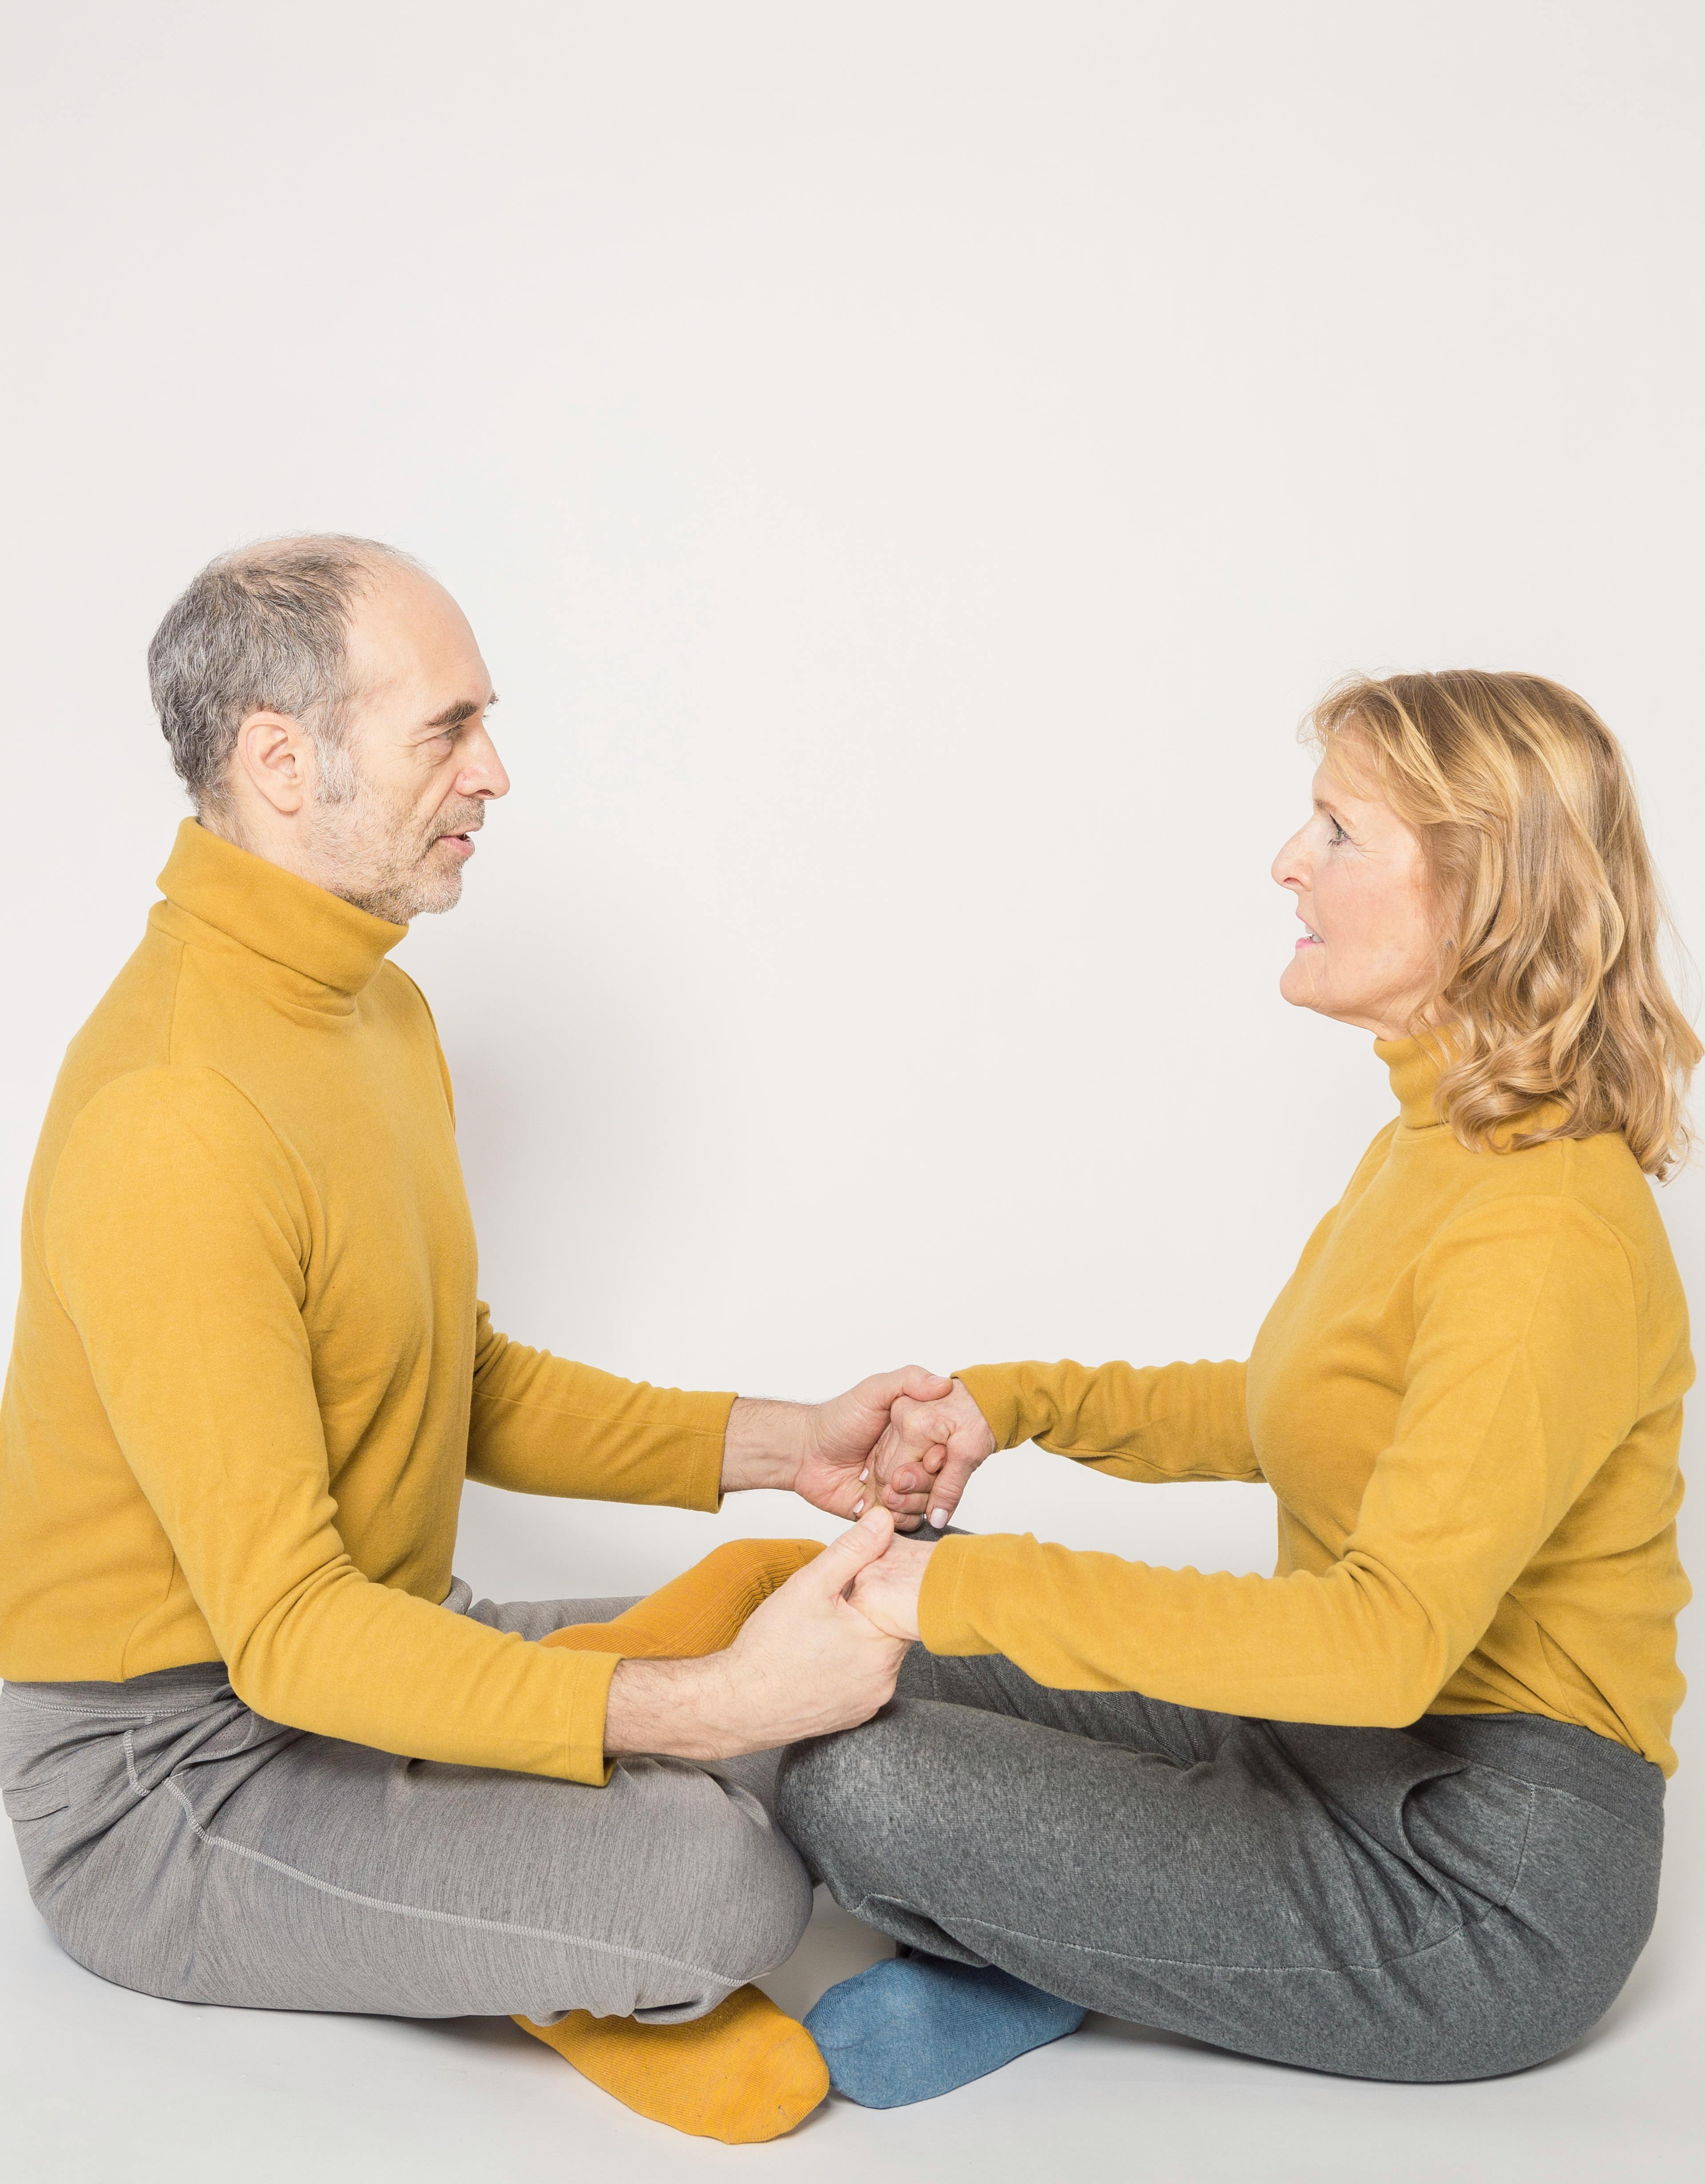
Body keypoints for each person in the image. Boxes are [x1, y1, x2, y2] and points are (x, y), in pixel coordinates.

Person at [0, 534, 945, 2148]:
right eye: (449, 727)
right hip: (171, 1777)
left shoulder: (374, 1010)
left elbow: (463, 1383)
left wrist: (797, 1447)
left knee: (889, 1651)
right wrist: (706, 1706)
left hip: (377, 1645)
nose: (494, 771)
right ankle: (559, 1915)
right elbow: (285, 1637)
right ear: (280, 760)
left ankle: (529, 1867)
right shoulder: (178, 1113)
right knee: (719, 1874)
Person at [781, 670, 1697, 2106]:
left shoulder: (1549, 1231)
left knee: (859, 1776)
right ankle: (1106, 1941)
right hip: (1332, 1756)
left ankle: (1069, 1949)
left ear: (1483, 891)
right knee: (847, 1618)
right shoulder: (1442, 1138)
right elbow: (1302, 1408)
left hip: (1482, 1881)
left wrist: (964, 1594)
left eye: (1336, 829)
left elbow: (1383, 1646)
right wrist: (1014, 1404)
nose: (1287, 861)